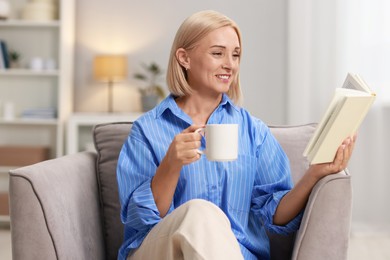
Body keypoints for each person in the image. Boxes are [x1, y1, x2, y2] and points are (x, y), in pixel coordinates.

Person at [116, 10, 356, 260]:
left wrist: (315, 173)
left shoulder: (253, 130)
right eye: (217, 53)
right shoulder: (147, 130)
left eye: (236, 55)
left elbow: (275, 214)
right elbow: (141, 219)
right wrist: (171, 165)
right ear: (184, 58)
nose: (229, 64)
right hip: (159, 252)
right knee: (199, 212)